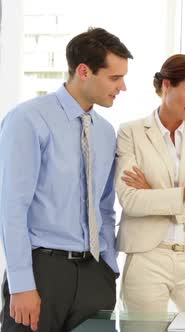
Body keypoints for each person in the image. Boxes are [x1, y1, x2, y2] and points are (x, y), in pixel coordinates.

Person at [0, 27, 132, 331]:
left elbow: (105, 206)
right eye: (115, 78)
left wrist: (108, 267)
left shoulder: (105, 131)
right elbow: (12, 208)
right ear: (84, 71)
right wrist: (21, 284)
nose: (122, 87)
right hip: (43, 272)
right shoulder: (28, 120)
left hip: (94, 276)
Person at [115, 54, 185, 313]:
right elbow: (131, 200)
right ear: (166, 85)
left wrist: (155, 196)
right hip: (147, 255)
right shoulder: (130, 132)